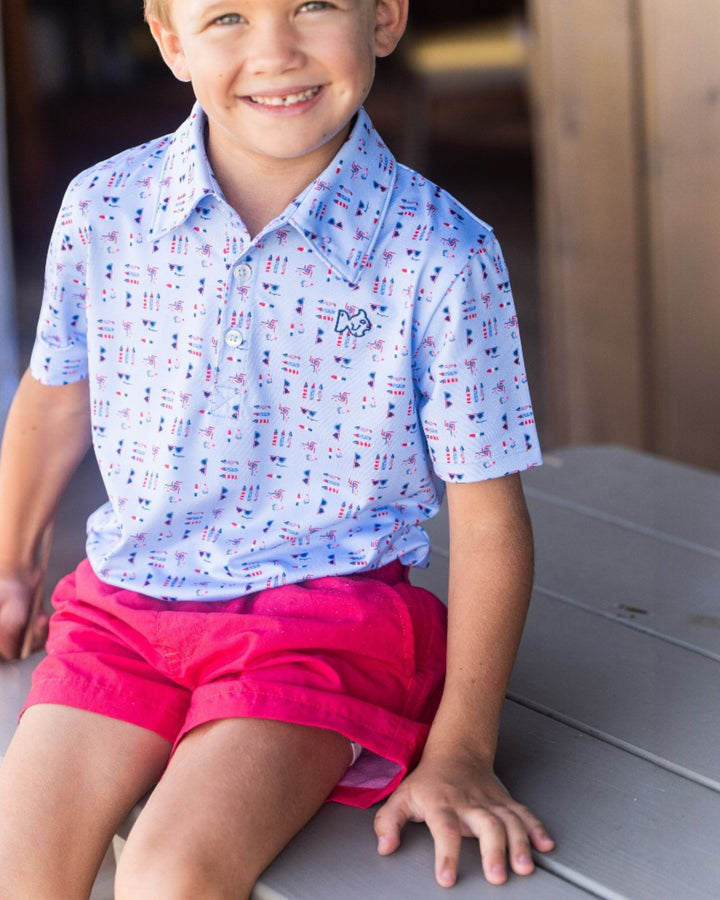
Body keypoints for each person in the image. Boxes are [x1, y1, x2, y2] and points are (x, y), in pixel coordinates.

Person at [0, 0, 554, 896]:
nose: (276, 51)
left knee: (169, 876)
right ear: (170, 39)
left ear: (386, 18)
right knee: (16, 869)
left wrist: (461, 749)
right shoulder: (103, 208)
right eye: (227, 16)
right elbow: (56, 403)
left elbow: (488, 514)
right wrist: (12, 566)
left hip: (322, 625)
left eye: (315, 5)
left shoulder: (443, 252)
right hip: (123, 612)